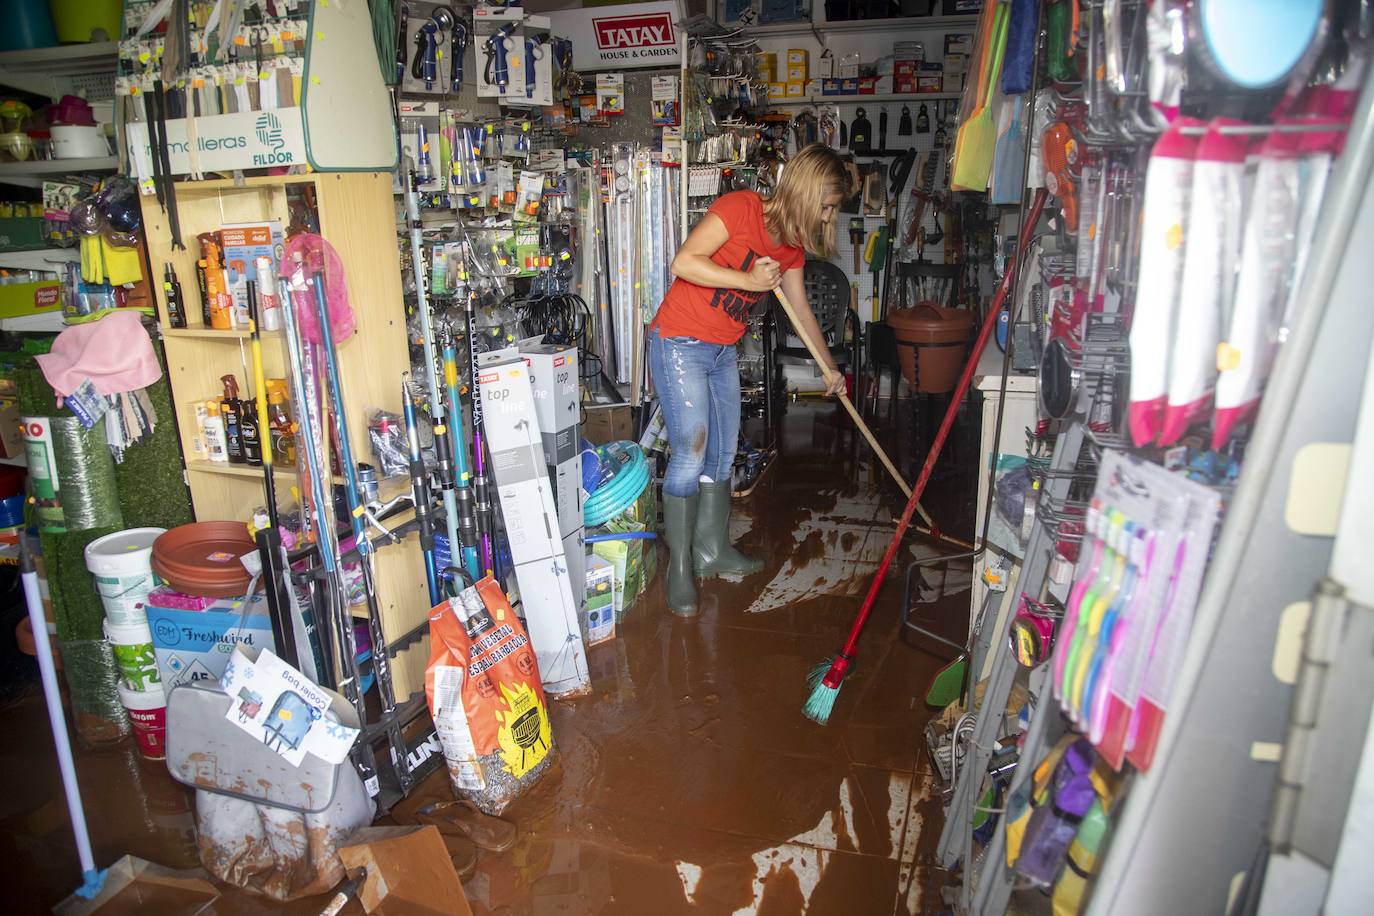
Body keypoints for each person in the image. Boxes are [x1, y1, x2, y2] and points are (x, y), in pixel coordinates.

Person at [648, 143, 850, 617]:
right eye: (827, 205)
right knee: (690, 452)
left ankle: (711, 550)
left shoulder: (792, 247)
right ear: (807, 191)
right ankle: (681, 569)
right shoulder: (739, 208)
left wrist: (828, 367)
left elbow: (800, 310)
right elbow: (684, 263)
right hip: (679, 342)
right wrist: (750, 283)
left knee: (721, 456)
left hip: (720, 351)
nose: (828, 218)